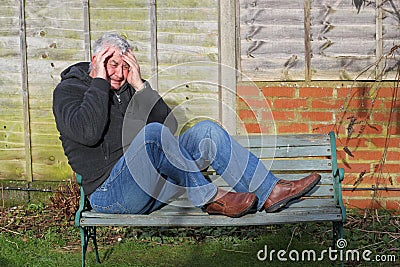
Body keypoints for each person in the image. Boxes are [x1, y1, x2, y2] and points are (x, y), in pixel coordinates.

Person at [53, 33, 321, 218]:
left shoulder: (127, 88)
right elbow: (87, 133)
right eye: (113, 65)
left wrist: (140, 86)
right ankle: (209, 197)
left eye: (126, 67)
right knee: (151, 135)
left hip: (152, 187)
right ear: (96, 59)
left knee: (206, 131)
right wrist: (100, 81)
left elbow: (169, 129)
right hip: (110, 194)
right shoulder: (69, 91)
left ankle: (269, 191)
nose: (120, 74)